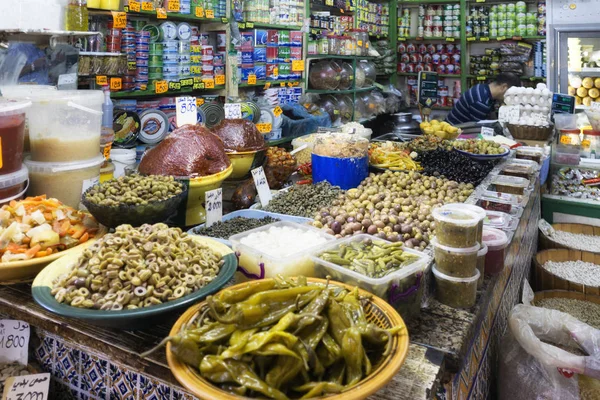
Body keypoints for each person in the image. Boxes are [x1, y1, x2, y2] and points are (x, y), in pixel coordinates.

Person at [446, 72, 521, 125]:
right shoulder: (481, 101)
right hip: (454, 132)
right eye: (512, 94)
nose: (511, 98)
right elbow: (480, 128)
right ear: (504, 87)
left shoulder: (483, 88)